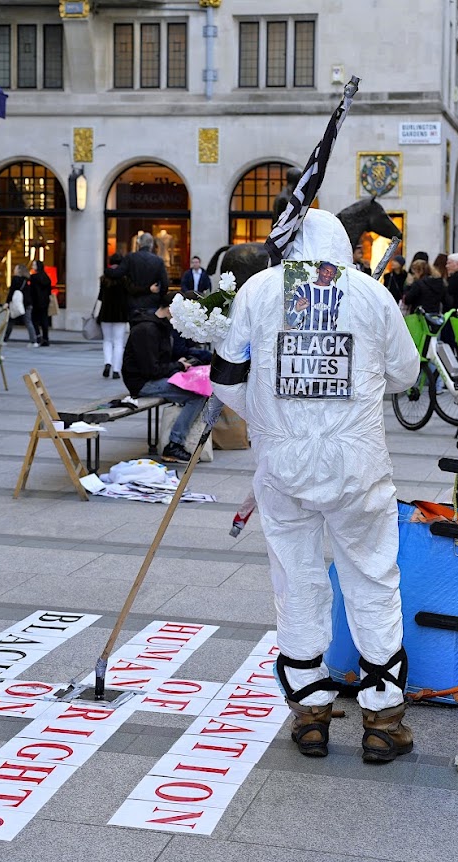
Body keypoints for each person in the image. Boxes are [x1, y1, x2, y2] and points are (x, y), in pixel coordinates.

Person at [211, 208, 419, 763]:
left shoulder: (258, 290)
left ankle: (309, 714)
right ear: (343, 245)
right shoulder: (371, 295)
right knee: (373, 578)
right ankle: (382, 718)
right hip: (358, 466)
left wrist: (269, 416)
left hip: (283, 466)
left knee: (296, 580)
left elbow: (226, 378)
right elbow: (407, 373)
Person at [121, 295, 207, 464]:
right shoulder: (148, 329)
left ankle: (176, 443)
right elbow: (151, 370)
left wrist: (179, 365)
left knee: (199, 389)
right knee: (196, 396)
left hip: (151, 377)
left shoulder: (159, 326)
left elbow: (161, 361)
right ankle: (175, 444)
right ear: (170, 308)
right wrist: (178, 366)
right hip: (142, 383)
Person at [112, 231, 170, 312]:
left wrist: (106, 271)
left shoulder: (130, 258)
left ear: (139, 244)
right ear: (152, 244)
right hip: (152, 302)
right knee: (150, 324)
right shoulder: (158, 261)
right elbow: (165, 284)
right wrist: (159, 298)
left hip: (133, 302)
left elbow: (117, 274)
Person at [99, 253, 132, 380]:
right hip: (120, 313)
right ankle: (116, 370)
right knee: (118, 342)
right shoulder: (124, 278)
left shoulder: (104, 277)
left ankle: (108, 362)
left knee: (107, 340)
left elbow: (100, 297)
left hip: (106, 312)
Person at [2, 263, 37, 348]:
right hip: (27, 303)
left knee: (11, 322)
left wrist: (7, 302)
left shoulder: (15, 279)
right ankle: (34, 341)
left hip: (17, 304)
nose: (14, 270)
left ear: (19, 271)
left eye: (16, 268)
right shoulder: (28, 280)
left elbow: (11, 291)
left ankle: (4, 340)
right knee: (28, 322)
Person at [26, 261, 52, 346]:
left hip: (36, 301)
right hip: (45, 301)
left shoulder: (33, 277)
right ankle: (45, 338)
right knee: (44, 319)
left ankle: (38, 336)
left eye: (34, 265)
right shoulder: (46, 277)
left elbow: (31, 290)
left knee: (34, 320)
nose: (32, 266)